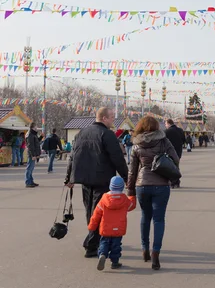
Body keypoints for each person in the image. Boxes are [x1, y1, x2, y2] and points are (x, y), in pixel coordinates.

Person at [65, 107, 129, 258]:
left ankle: (94, 239)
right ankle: (92, 244)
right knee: (99, 211)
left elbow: (72, 155)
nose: (114, 120)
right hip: (102, 177)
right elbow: (117, 158)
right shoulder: (107, 134)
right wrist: (127, 177)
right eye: (112, 117)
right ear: (104, 118)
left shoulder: (82, 132)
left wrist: (69, 177)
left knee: (91, 210)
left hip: (85, 178)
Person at [127, 115, 180, 271]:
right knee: (159, 219)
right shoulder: (163, 140)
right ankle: (156, 252)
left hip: (142, 185)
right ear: (157, 127)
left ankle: (145, 249)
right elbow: (175, 159)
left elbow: (132, 170)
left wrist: (130, 190)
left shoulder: (136, 143)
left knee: (145, 216)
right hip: (161, 184)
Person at [88, 176, 136, 271]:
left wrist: (92, 226)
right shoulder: (124, 199)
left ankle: (102, 254)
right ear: (122, 187)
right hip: (119, 228)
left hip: (105, 228)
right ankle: (115, 262)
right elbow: (131, 206)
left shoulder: (104, 199)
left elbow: (96, 214)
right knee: (116, 245)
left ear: (110, 186)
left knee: (104, 242)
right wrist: (132, 196)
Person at [165, 119, 186, 189]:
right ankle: (177, 181)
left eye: (165, 124)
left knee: (170, 167)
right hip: (178, 151)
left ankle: (172, 182)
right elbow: (184, 141)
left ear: (168, 124)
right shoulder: (180, 130)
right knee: (176, 166)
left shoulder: (167, 131)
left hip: (169, 152)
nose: (165, 126)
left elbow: (163, 142)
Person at [25, 123, 41, 188]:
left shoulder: (33, 134)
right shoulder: (30, 135)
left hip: (34, 154)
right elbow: (30, 146)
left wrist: (41, 137)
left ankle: (31, 181)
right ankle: (28, 182)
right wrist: (33, 155)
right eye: (36, 127)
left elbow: (36, 142)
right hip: (32, 154)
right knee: (29, 168)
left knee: (31, 169)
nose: (37, 128)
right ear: (33, 127)